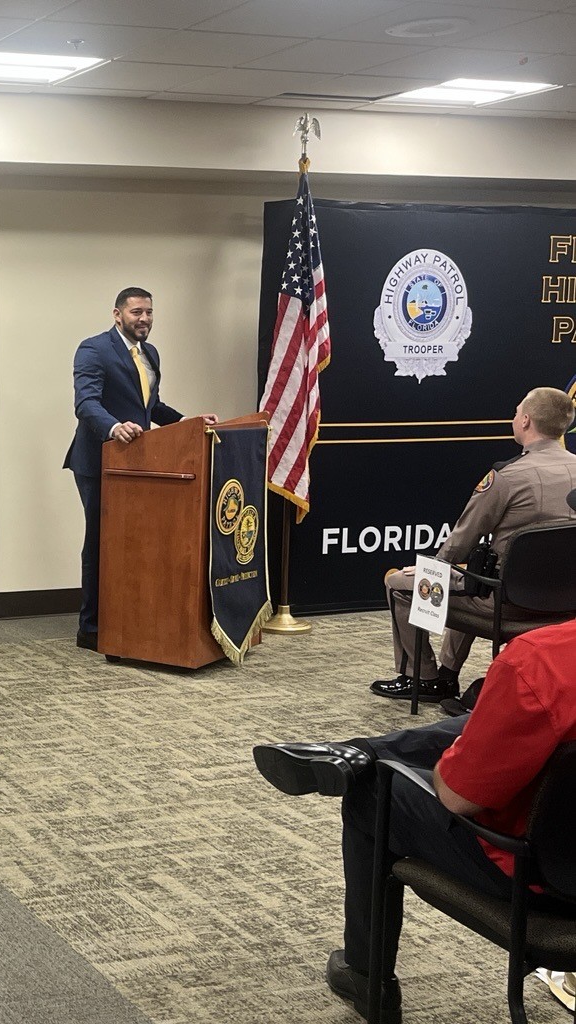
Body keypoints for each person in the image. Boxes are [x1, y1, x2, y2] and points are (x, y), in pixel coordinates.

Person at [253, 618, 576, 1023]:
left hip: (544, 880)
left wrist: (458, 756)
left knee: (374, 791)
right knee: (480, 720)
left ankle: (368, 978)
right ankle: (359, 750)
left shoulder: (540, 662)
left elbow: (457, 797)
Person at [373, 386, 576, 703]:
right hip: (568, 605)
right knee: (470, 576)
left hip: (509, 606)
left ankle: (422, 678)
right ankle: (447, 675)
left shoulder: (507, 477)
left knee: (401, 585)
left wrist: (432, 568)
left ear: (525, 421)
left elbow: (460, 542)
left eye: (516, 412)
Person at [64, 286, 217, 650]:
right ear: (117, 314)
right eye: (136, 312)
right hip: (99, 461)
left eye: (149, 312)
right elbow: (86, 404)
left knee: (133, 542)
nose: (144, 319)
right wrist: (115, 428)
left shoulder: (150, 353)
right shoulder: (94, 349)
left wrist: (188, 421)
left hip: (138, 462)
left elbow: (151, 407)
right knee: (101, 540)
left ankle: (127, 617)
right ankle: (90, 627)